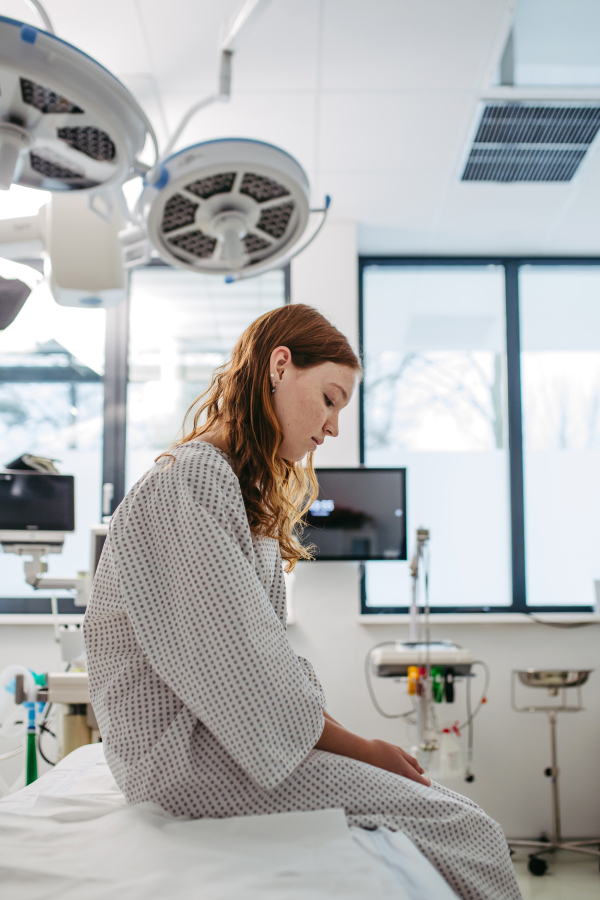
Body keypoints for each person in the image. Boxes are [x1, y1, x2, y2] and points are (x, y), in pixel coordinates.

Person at [84, 303, 521, 900]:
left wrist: (364, 750)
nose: (334, 426)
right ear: (280, 366)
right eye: (331, 399)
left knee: (449, 814)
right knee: (468, 831)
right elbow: (247, 680)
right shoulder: (192, 480)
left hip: (217, 744)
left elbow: (265, 668)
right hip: (184, 763)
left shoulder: (235, 488)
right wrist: (365, 750)